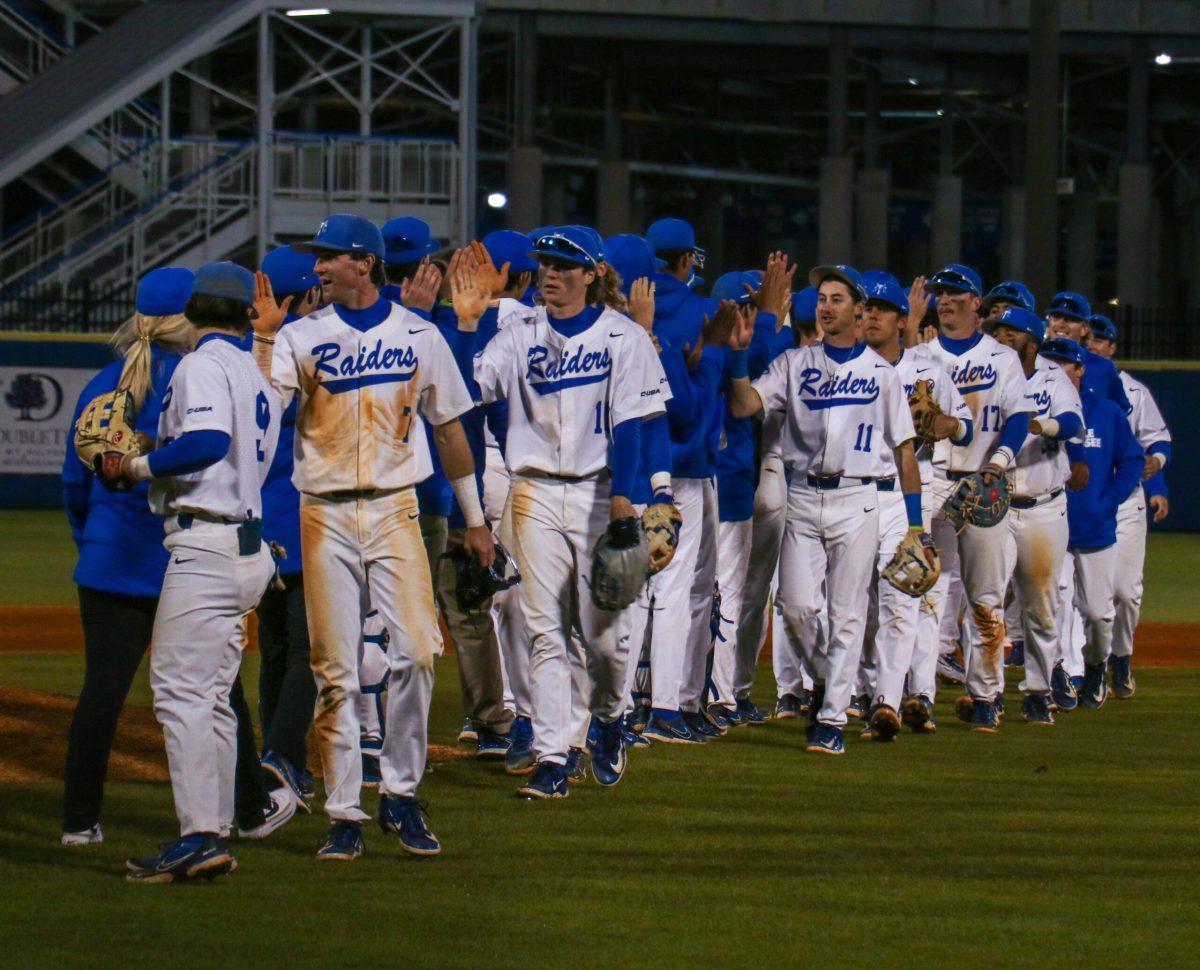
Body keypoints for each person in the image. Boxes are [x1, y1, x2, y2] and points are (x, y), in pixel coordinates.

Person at [252, 213, 490, 859]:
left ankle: (403, 795)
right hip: (322, 512)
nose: (319, 267)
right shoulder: (302, 335)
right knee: (335, 667)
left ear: (365, 262)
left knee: (416, 652)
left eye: (330, 256)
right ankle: (344, 813)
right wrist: (265, 345)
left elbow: (449, 429)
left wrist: (474, 519)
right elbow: (263, 413)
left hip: (394, 508)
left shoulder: (419, 333)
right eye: (319, 256)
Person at [473, 225, 673, 797]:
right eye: (545, 264)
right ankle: (554, 756)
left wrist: (631, 493)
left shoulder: (623, 337)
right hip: (532, 489)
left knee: (604, 636)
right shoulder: (518, 333)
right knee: (543, 629)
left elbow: (636, 422)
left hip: (598, 491)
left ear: (592, 274)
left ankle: (610, 717)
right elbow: (472, 387)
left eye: (564, 265)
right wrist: (468, 324)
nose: (550, 273)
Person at [109, 262, 281, 882]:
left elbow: (207, 443)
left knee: (181, 693)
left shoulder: (201, 365)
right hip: (245, 546)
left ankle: (199, 835)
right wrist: (159, 446)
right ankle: (216, 828)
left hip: (207, 547)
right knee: (212, 697)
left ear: (193, 307)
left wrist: (134, 467)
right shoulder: (254, 372)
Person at [725, 264, 925, 756]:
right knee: (794, 607)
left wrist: (915, 525)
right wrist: (735, 357)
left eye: (838, 298)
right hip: (802, 496)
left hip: (859, 501)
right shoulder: (795, 363)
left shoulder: (882, 374)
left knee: (847, 612)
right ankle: (833, 684)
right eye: (822, 298)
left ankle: (832, 718)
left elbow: (904, 453)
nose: (827, 305)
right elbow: (745, 406)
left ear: (858, 309)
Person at [59, 267, 195, 846]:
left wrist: (91, 540)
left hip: (109, 557)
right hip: (181, 558)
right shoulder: (199, 381)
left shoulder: (102, 384)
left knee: (101, 695)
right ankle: (244, 808)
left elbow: (72, 485)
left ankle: (79, 822)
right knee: (214, 694)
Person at [916, 263, 1034, 733]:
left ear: (975, 304)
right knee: (925, 589)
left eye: (955, 293)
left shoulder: (1001, 357)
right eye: (940, 293)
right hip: (932, 478)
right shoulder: (919, 355)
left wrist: (999, 463)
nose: (945, 299)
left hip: (983, 480)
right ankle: (918, 694)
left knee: (985, 598)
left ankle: (986, 695)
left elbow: (1019, 418)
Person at [857, 272, 972, 738]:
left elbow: (963, 426)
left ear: (902, 320)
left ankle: (899, 698)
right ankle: (872, 691)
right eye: (866, 307)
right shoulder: (845, 367)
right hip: (858, 492)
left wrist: (943, 423)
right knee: (854, 606)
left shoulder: (927, 370)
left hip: (913, 491)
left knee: (910, 598)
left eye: (882, 308)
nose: (871, 315)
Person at [989, 309, 1085, 726]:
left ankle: (1039, 690)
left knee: (1042, 608)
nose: (1003, 337)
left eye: (1012, 331)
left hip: (1044, 505)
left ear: (1031, 338)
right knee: (986, 603)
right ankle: (986, 694)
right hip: (996, 504)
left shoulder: (1052, 376)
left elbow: (1072, 422)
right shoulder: (987, 371)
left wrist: (1038, 424)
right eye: (999, 330)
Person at [253, 246, 322, 810]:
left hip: (254, 518)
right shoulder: (311, 342)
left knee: (274, 647)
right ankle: (282, 754)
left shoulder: (239, 349)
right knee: (307, 650)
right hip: (301, 512)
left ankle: (277, 756)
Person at [1042, 337, 1144, 708]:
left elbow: (1132, 460)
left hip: (1095, 529)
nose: (1053, 369)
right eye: (1047, 361)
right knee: (1053, 606)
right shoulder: (1034, 411)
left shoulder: (1106, 412)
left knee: (1100, 615)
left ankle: (1097, 666)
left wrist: (1110, 500)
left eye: (1062, 363)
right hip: (1051, 527)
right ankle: (1060, 677)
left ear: (1080, 369)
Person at [1086, 314, 1171, 696]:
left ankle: (1120, 656)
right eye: (1089, 338)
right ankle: (1089, 667)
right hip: (1083, 501)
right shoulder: (1065, 388)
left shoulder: (1133, 392)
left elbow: (1155, 444)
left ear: (1113, 348)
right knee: (1085, 597)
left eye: (1101, 339)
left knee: (1124, 591)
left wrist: (1160, 475)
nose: (1094, 345)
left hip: (1124, 499)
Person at [1043, 292, 1131, 413]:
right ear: (1048, 325)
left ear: (1084, 329)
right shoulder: (1033, 359)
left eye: (1070, 319)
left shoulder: (1103, 367)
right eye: (1056, 317)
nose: (1061, 324)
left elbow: (1118, 414)